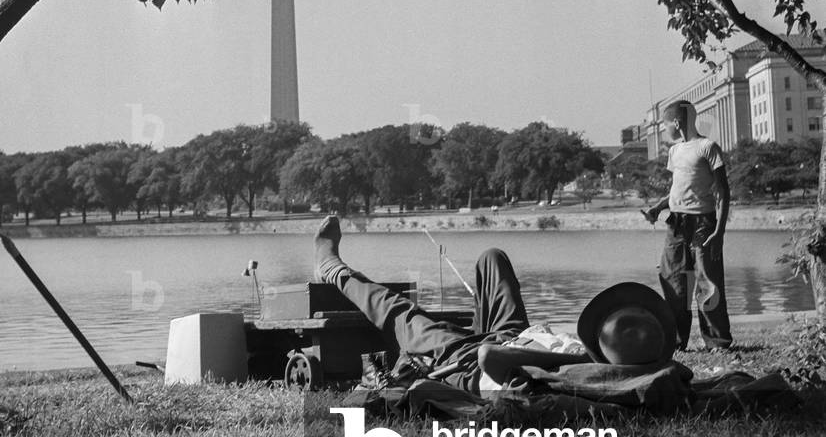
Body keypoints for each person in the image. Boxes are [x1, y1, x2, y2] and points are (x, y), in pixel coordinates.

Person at [314, 215, 677, 395]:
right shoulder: (649, 359)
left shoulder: (587, 372)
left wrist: (582, 357)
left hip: (470, 359)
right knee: (493, 258)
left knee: (398, 310)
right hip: (516, 337)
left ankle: (333, 269)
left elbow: (491, 358)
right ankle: (480, 322)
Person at [643, 99, 733, 350]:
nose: (664, 130)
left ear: (676, 122)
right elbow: (677, 191)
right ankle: (676, 341)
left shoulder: (708, 147)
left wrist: (719, 231)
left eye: (664, 125)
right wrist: (657, 208)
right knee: (673, 281)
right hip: (676, 223)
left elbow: (723, 191)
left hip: (703, 223)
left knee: (707, 283)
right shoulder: (674, 152)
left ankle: (717, 342)